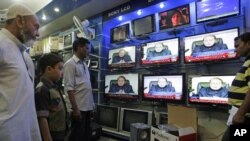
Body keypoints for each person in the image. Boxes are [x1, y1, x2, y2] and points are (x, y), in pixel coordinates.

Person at [0, 4, 41, 141]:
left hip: (26, 131)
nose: (38, 33)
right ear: (19, 21)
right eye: (36, 26)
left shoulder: (25, 57)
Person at [64, 37, 94, 141]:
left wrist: (92, 105)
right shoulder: (70, 64)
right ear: (79, 48)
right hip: (79, 108)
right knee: (77, 136)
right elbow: (69, 88)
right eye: (86, 48)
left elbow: (87, 86)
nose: (88, 51)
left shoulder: (84, 64)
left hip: (87, 107)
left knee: (86, 135)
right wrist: (75, 109)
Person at [222, 32, 250, 141]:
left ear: (248, 44)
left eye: (237, 46)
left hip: (244, 118)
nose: (235, 50)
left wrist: (240, 113)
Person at [35, 53, 67, 141]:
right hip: (52, 134)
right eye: (60, 68)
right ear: (49, 69)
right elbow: (42, 118)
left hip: (60, 132)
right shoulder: (42, 89)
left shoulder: (54, 86)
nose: (62, 72)